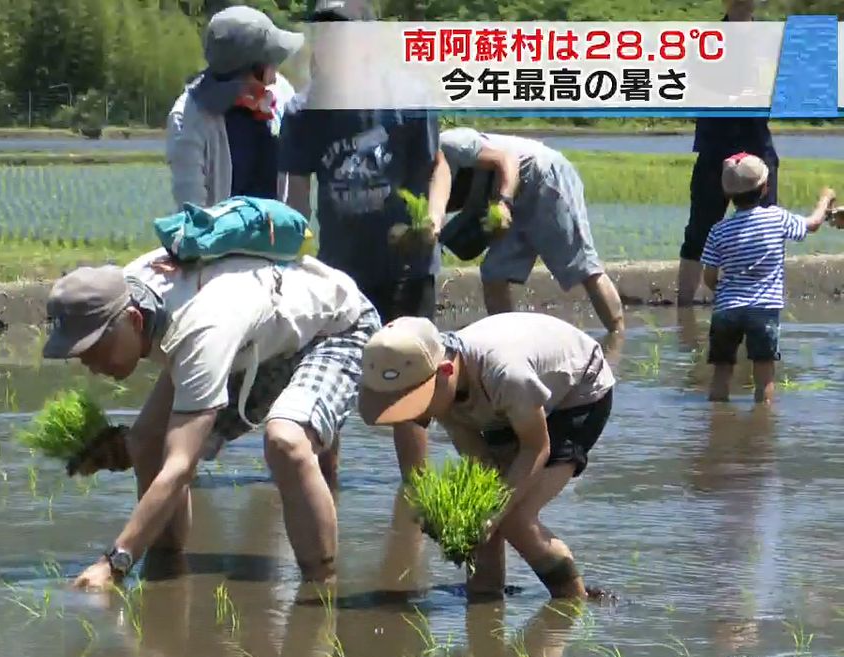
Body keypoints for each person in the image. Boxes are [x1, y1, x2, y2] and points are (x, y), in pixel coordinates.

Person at [41, 247, 382, 590]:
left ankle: (321, 591)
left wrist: (115, 562)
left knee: (285, 442)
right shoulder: (124, 289)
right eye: (80, 354)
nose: (92, 366)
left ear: (134, 320)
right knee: (146, 442)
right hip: (254, 339)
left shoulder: (200, 328)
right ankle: (166, 570)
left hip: (334, 329)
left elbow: (180, 467)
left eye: (96, 348)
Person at [279, 0, 451, 481]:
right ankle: (323, 485)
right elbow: (295, 195)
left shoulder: (407, 99)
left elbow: (437, 166)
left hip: (406, 264)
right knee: (326, 377)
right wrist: (294, 259)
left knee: (410, 378)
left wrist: (433, 220)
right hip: (339, 270)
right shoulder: (303, 110)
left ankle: (417, 492)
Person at [355, 312, 615, 603]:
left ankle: (571, 602)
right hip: (506, 406)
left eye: (417, 403)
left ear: (445, 372)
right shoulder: (444, 390)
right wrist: (457, 518)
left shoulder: (505, 375)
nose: (416, 416)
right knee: (478, 505)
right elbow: (481, 464)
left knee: (516, 518)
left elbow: (535, 448)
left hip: (577, 392)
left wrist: (496, 513)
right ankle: (484, 596)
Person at [435, 127, 626, 334]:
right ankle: (509, 341)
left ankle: (617, 338)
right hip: (505, 197)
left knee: (583, 266)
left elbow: (506, 160)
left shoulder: (449, 143)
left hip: (541, 175)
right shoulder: (411, 184)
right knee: (493, 274)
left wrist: (503, 202)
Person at [700, 152, 836, 403]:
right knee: (764, 376)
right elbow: (813, 224)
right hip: (763, 309)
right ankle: (763, 427)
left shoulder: (718, 230)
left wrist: (723, 292)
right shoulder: (776, 218)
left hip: (726, 310)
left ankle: (717, 425)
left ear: (728, 195)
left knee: (721, 373)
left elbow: (709, 276)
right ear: (765, 188)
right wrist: (825, 199)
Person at [678, 0, 779, 306]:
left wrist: (766, 96)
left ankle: (761, 301)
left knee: (765, 228)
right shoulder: (707, 40)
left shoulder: (771, 38)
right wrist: (734, 97)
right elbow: (688, 90)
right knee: (700, 229)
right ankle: (684, 308)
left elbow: (792, 89)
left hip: (757, 146)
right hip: (716, 146)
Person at [166, 6, 302, 207]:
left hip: (275, 233)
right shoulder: (187, 120)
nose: (275, 75)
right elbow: (193, 213)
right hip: (219, 236)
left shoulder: (282, 93)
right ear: (255, 70)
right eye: (273, 61)